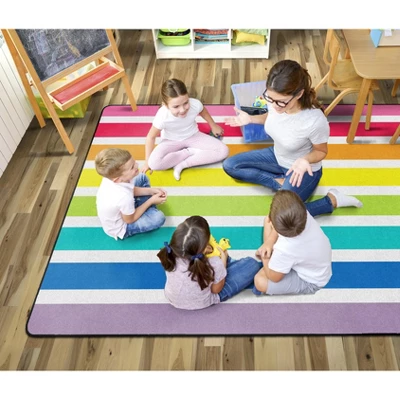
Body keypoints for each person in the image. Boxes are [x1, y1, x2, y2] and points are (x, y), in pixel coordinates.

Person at [223, 59, 362, 217]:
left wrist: (305, 160)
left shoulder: (315, 120)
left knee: (283, 215)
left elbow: (321, 151)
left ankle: (332, 200)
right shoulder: (275, 101)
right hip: (277, 156)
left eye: (281, 102)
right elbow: (272, 117)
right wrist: (251, 119)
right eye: (270, 98)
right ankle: (280, 183)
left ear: (299, 94)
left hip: (303, 169)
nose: (274, 105)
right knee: (230, 165)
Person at [157, 215, 261, 310]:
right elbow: (216, 290)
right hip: (204, 301)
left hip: (172, 298)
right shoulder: (215, 262)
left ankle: (229, 265)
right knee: (252, 264)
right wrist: (223, 261)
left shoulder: (169, 254)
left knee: (222, 265)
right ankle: (229, 264)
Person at [141, 78, 229, 181]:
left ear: (188, 97)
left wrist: (213, 125)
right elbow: (151, 137)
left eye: (186, 103)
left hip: (193, 136)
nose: (182, 110)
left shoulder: (195, 104)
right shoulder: (162, 116)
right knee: (154, 164)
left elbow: (203, 112)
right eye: (176, 107)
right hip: (170, 141)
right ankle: (188, 152)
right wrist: (147, 161)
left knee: (223, 151)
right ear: (166, 105)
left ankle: (183, 164)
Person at [253, 190, 332, 296]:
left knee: (260, 281)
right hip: (316, 263)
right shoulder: (304, 214)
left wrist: (265, 257)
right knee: (267, 221)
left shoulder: (285, 249)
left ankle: (270, 257)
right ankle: (276, 259)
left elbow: (274, 277)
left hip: (312, 281)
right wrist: (270, 241)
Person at [95, 148, 167, 240]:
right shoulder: (124, 197)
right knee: (159, 218)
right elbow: (130, 220)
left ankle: (143, 208)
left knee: (142, 177)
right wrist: (151, 201)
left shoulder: (111, 179)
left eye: (134, 162)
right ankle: (147, 208)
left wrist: (150, 191)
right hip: (124, 226)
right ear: (118, 179)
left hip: (125, 205)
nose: (137, 165)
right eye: (132, 167)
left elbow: (130, 189)